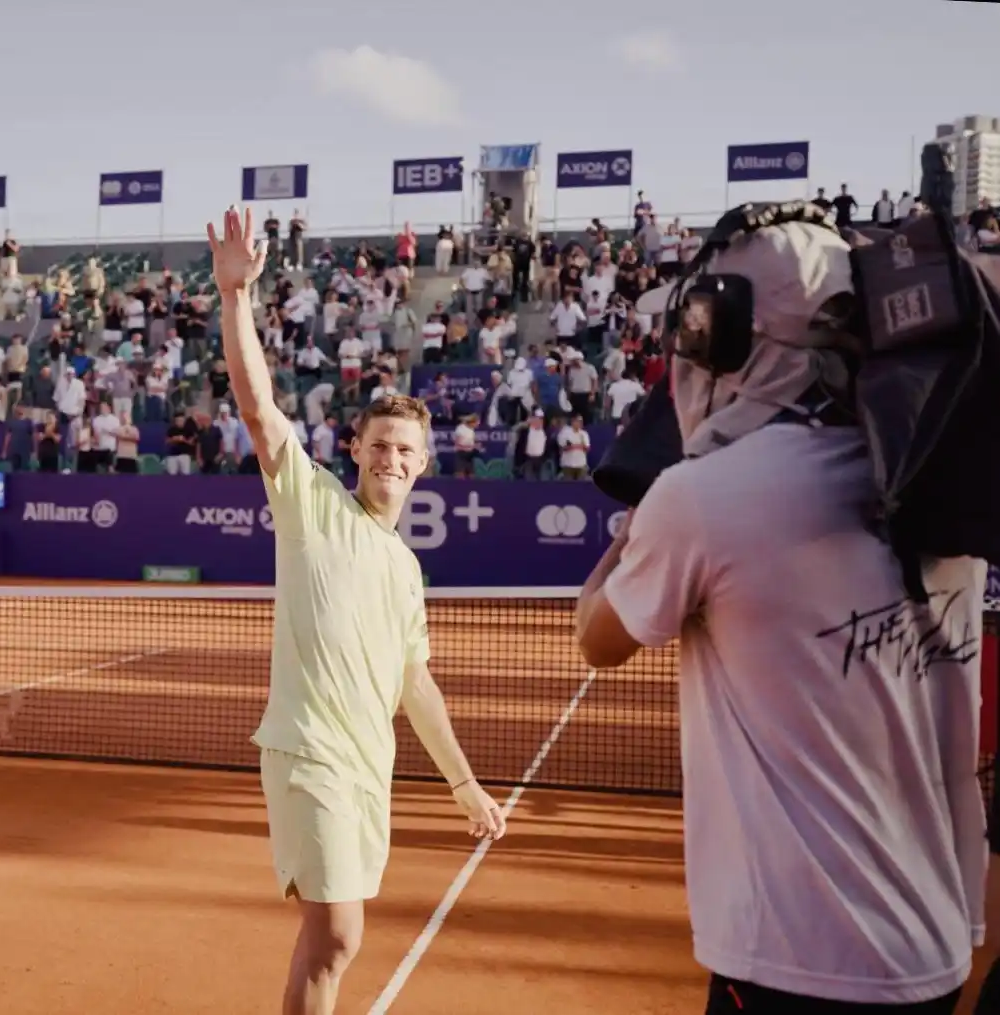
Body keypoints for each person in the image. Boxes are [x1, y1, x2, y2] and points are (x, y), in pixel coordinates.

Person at [574, 220, 986, 1014]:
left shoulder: (703, 499)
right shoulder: (935, 475)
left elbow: (596, 638)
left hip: (794, 960)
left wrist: (624, 543)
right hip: (932, 948)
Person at [206, 206, 507, 1015]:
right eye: (379, 445)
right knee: (338, 933)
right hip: (308, 755)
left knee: (329, 945)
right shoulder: (312, 503)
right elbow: (260, 409)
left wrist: (464, 784)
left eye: (405, 450)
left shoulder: (406, 569)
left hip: (370, 768)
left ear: (423, 464)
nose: (390, 458)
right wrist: (235, 295)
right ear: (356, 450)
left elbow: (417, 683)